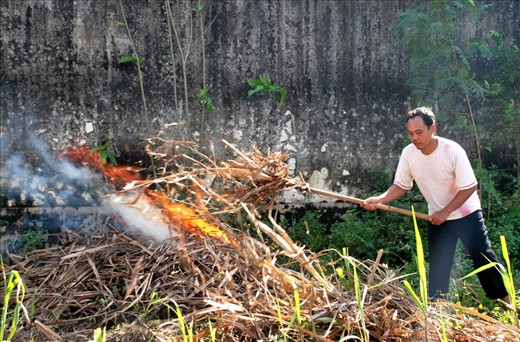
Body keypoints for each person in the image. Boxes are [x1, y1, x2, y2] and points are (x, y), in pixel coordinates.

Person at [362, 107, 510, 305]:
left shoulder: (452, 150)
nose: (414, 138)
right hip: (438, 218)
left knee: (483, 256)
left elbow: (470, 186)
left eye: (419, 132)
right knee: (439, 267)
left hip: (466, 212)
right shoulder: (408, 154)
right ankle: (437, 313)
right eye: (410, 133)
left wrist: (446, 211)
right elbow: (401, 185)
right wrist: (379, 199)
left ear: (433, 129)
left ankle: (510, 307)